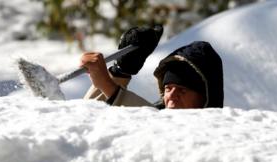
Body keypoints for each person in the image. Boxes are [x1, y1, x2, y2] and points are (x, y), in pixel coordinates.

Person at [80, 25, 224, 109]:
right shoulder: (159, 114)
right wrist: (120, 72)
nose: (172, 96)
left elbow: (156, 127)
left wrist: (107, 85)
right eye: (167, 88)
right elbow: (89, 118)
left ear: (205, 97)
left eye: (182, 90)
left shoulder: (217, 135)